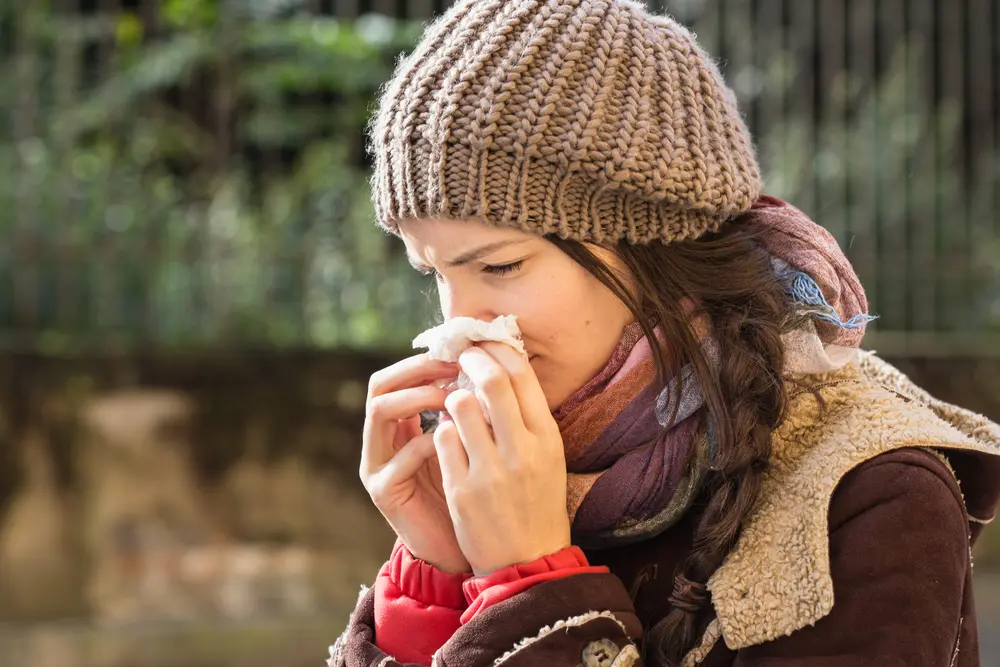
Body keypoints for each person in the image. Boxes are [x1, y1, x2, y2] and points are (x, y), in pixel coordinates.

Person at [328, 1, 1000, 665]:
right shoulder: (504, 479)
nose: (459, 322)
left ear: (653, 245)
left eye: (501, 264)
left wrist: (532, 589)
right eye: (434, 272)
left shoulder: (870, 498)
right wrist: (437, 580)